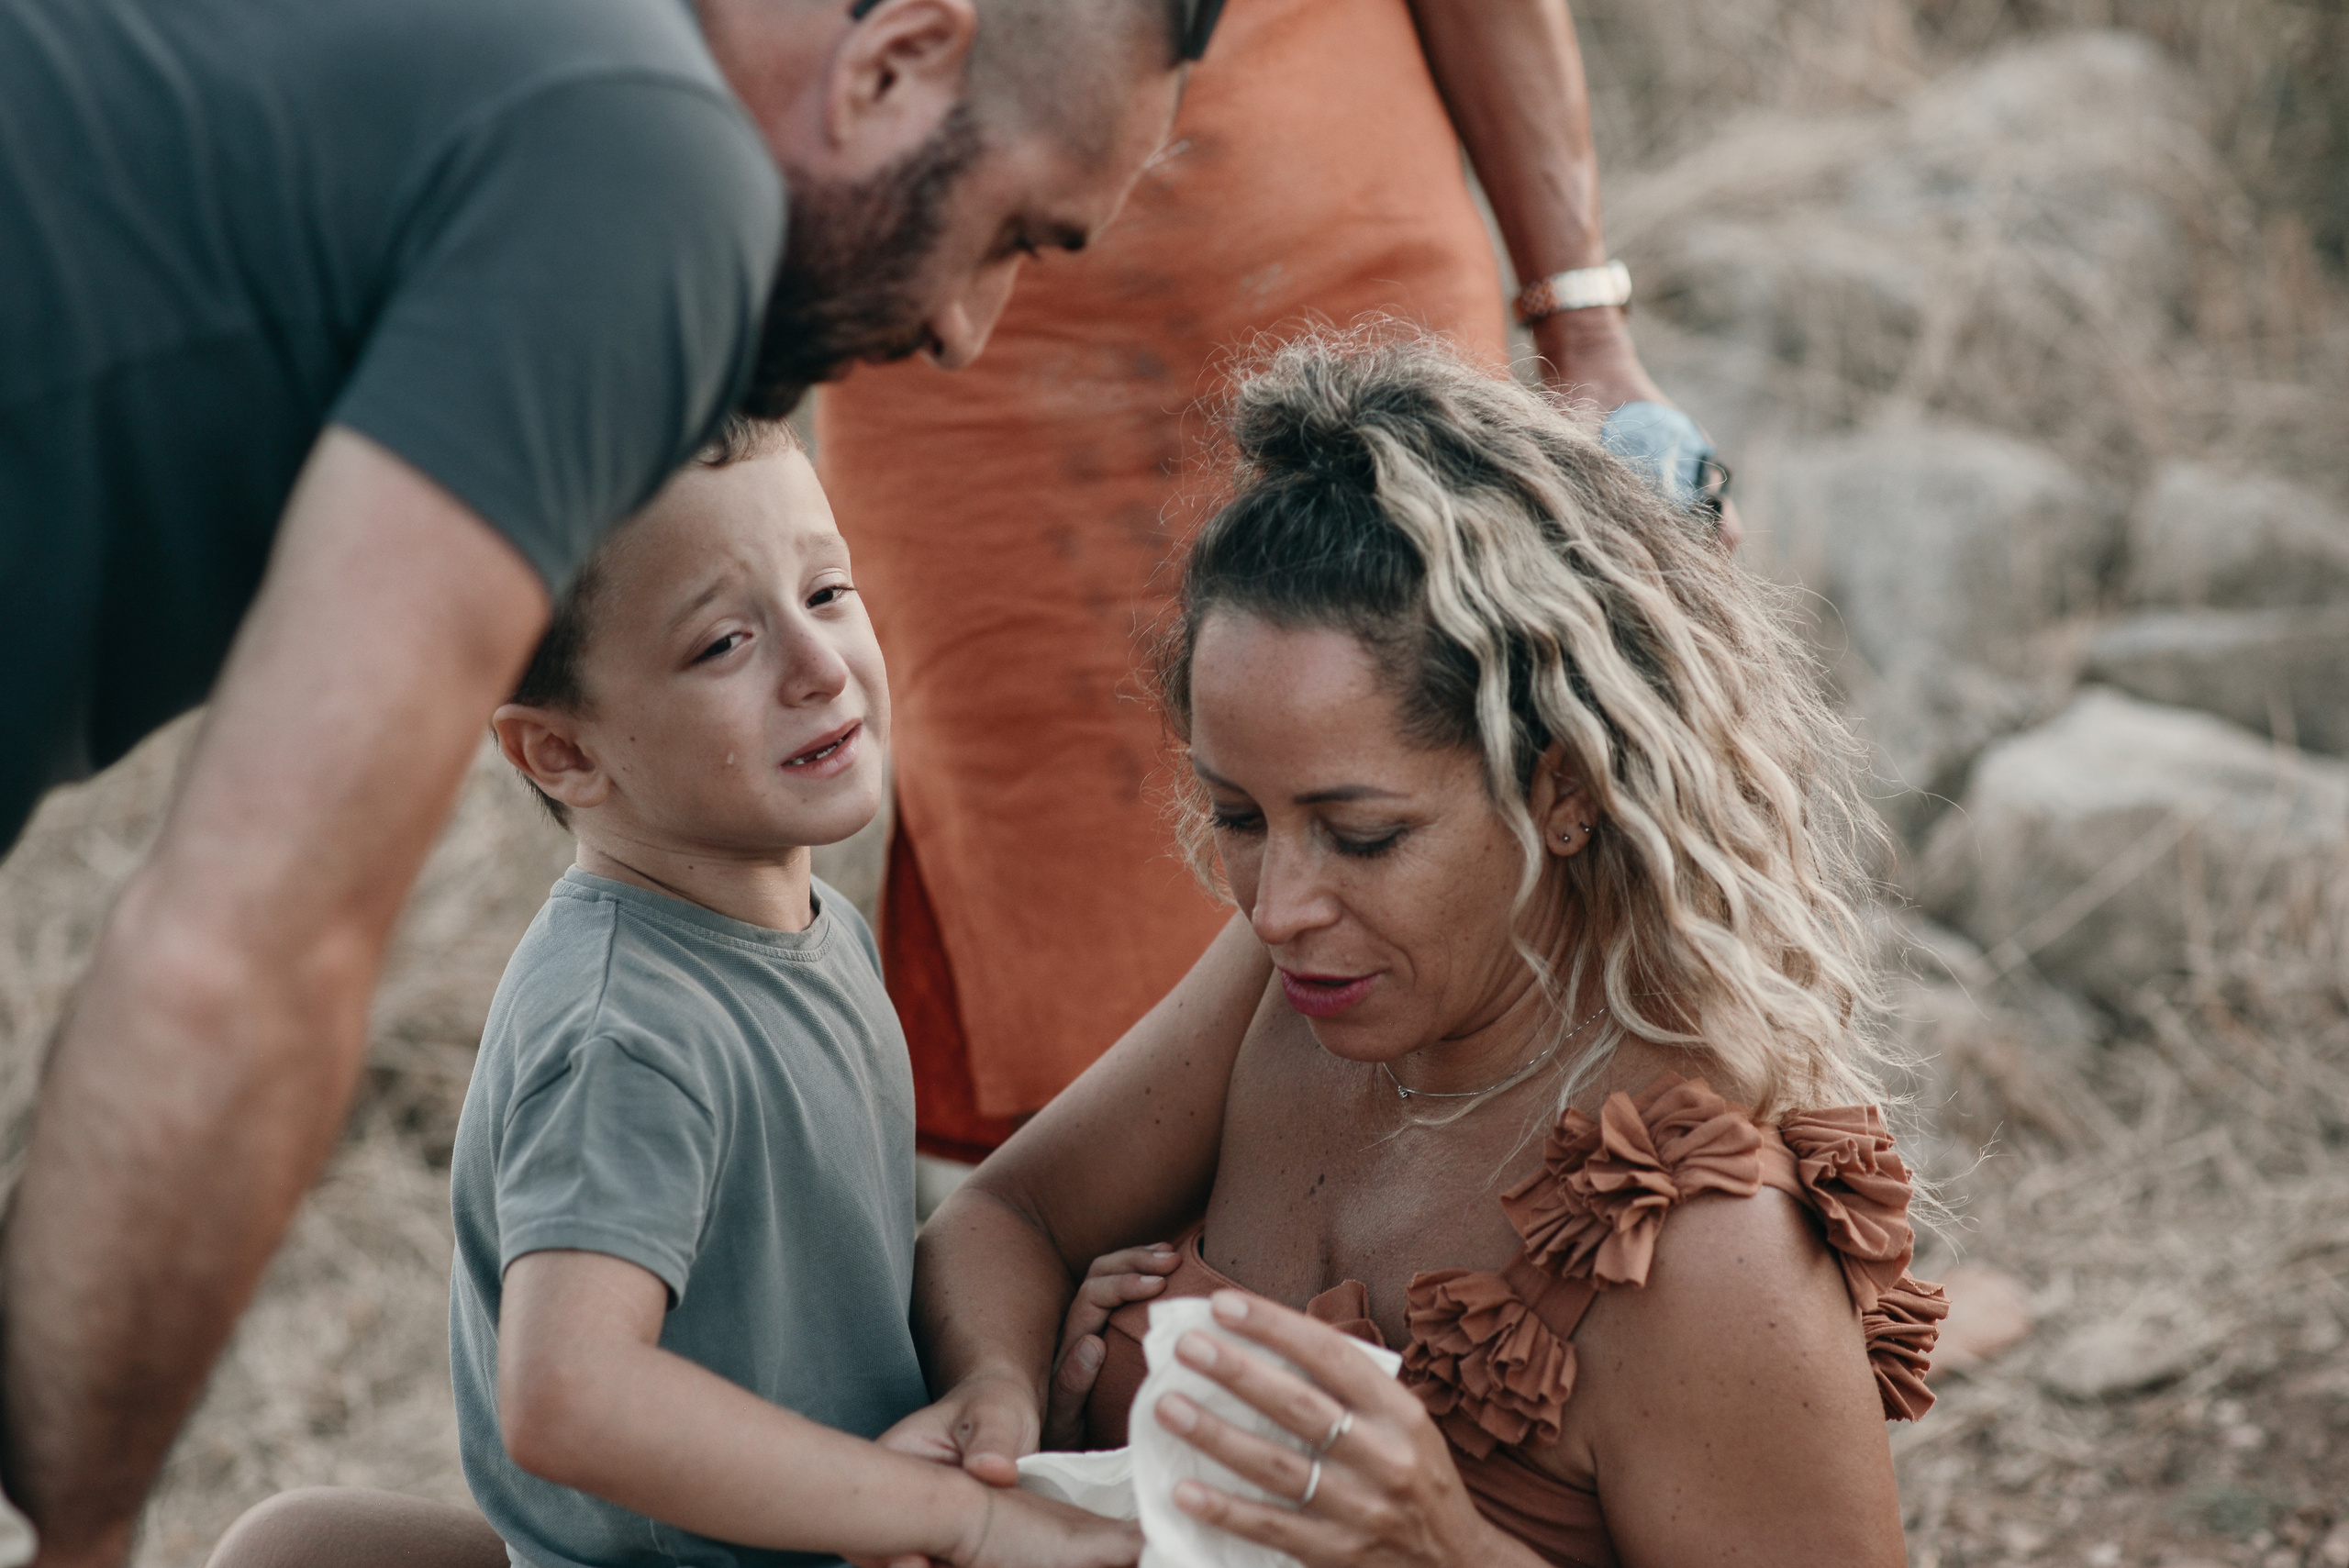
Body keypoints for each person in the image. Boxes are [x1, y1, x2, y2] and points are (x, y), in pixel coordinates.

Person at [0, 0, 1191, 1559]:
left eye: (830, 597)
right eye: (1005, 230)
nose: (968, 327)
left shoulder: (537, 91)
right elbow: (234, 956)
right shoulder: (647, 177)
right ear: (894, 59)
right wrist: (78, 1533)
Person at [898, 334, 1942, 1566]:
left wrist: (1449, 1548)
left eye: (1361, 833)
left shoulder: (1704, 1251)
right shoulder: (1297, 984)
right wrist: (1006, 1407)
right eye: (1238, 816)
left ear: (1563, 789)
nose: (1279, 904)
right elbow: (1002, 1218)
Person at [816, 0, 1736, 1173]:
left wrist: (1582, 322)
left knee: (1440, 786)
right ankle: (1142, 1307)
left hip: (1339, 272)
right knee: (1067, 890)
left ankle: (1505, 1285)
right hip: (965, 351)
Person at [212, 421, 1138, 1568]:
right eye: (722, 643)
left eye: (828, 589)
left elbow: (803, 1304)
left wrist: (1004, 1380)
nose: (818, 663)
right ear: (560, 755)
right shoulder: (629, 1032)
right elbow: (566, 1393)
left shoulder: (813, 929)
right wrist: (964, 1515)